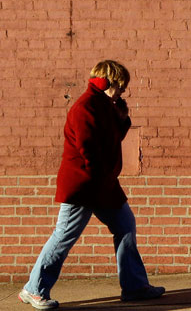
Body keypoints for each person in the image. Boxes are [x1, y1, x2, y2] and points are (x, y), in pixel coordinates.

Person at [19, 60, 164, 309]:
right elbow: (89, 148)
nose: (123, 91)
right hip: (84, 185)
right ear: (108, 82)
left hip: (103, 183)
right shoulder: (85, 107)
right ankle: (34, 289)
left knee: (125, 225)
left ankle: (134, 287)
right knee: (64, 236)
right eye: (121, 86)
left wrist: (122, 118)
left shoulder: (103, 106)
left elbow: (111, 138)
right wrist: (102, 177)